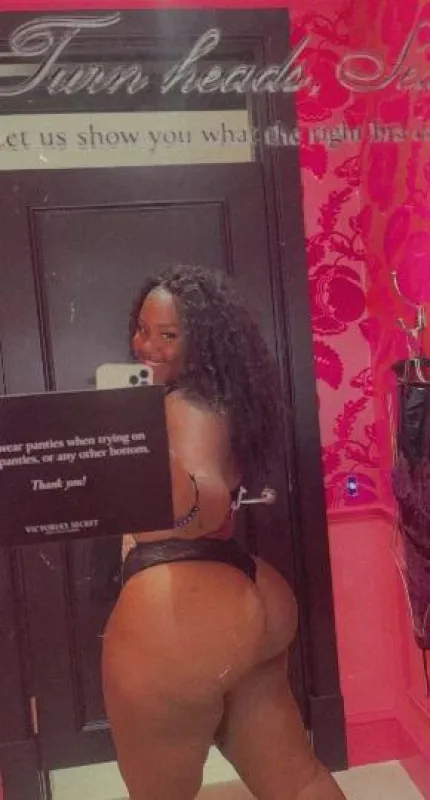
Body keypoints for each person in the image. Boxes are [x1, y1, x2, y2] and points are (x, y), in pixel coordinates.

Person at [102, 265, 346, 800]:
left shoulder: (183, 406)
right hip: (247, 591)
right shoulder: (214, 400)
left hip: (179, 607)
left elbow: (205, 502)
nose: (148, 346)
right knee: (297, 779)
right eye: (143, 328)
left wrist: (153, 455)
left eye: (169, 334)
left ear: (201, 341)